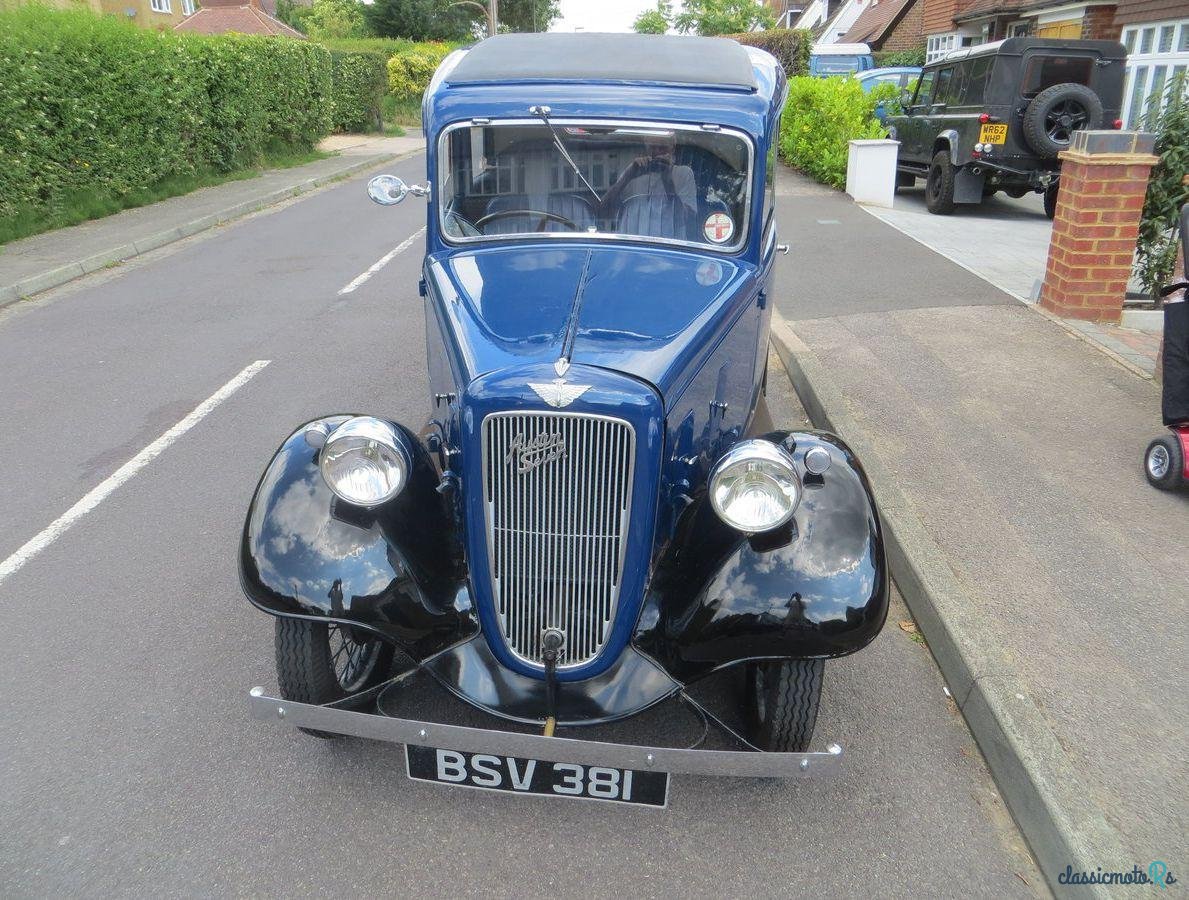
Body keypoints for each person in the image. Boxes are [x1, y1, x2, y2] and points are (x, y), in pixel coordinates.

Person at [599, 134, 696, 239]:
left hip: (670, 247)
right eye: (653, 147)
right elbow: (602, 213)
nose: (657, 152)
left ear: (672, 148)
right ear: (646, 148)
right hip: (630, 246)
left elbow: (689, 219)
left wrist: (667, 180)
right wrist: (628, 176)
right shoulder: (632, 173)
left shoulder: (683, 173)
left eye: (663, 148)